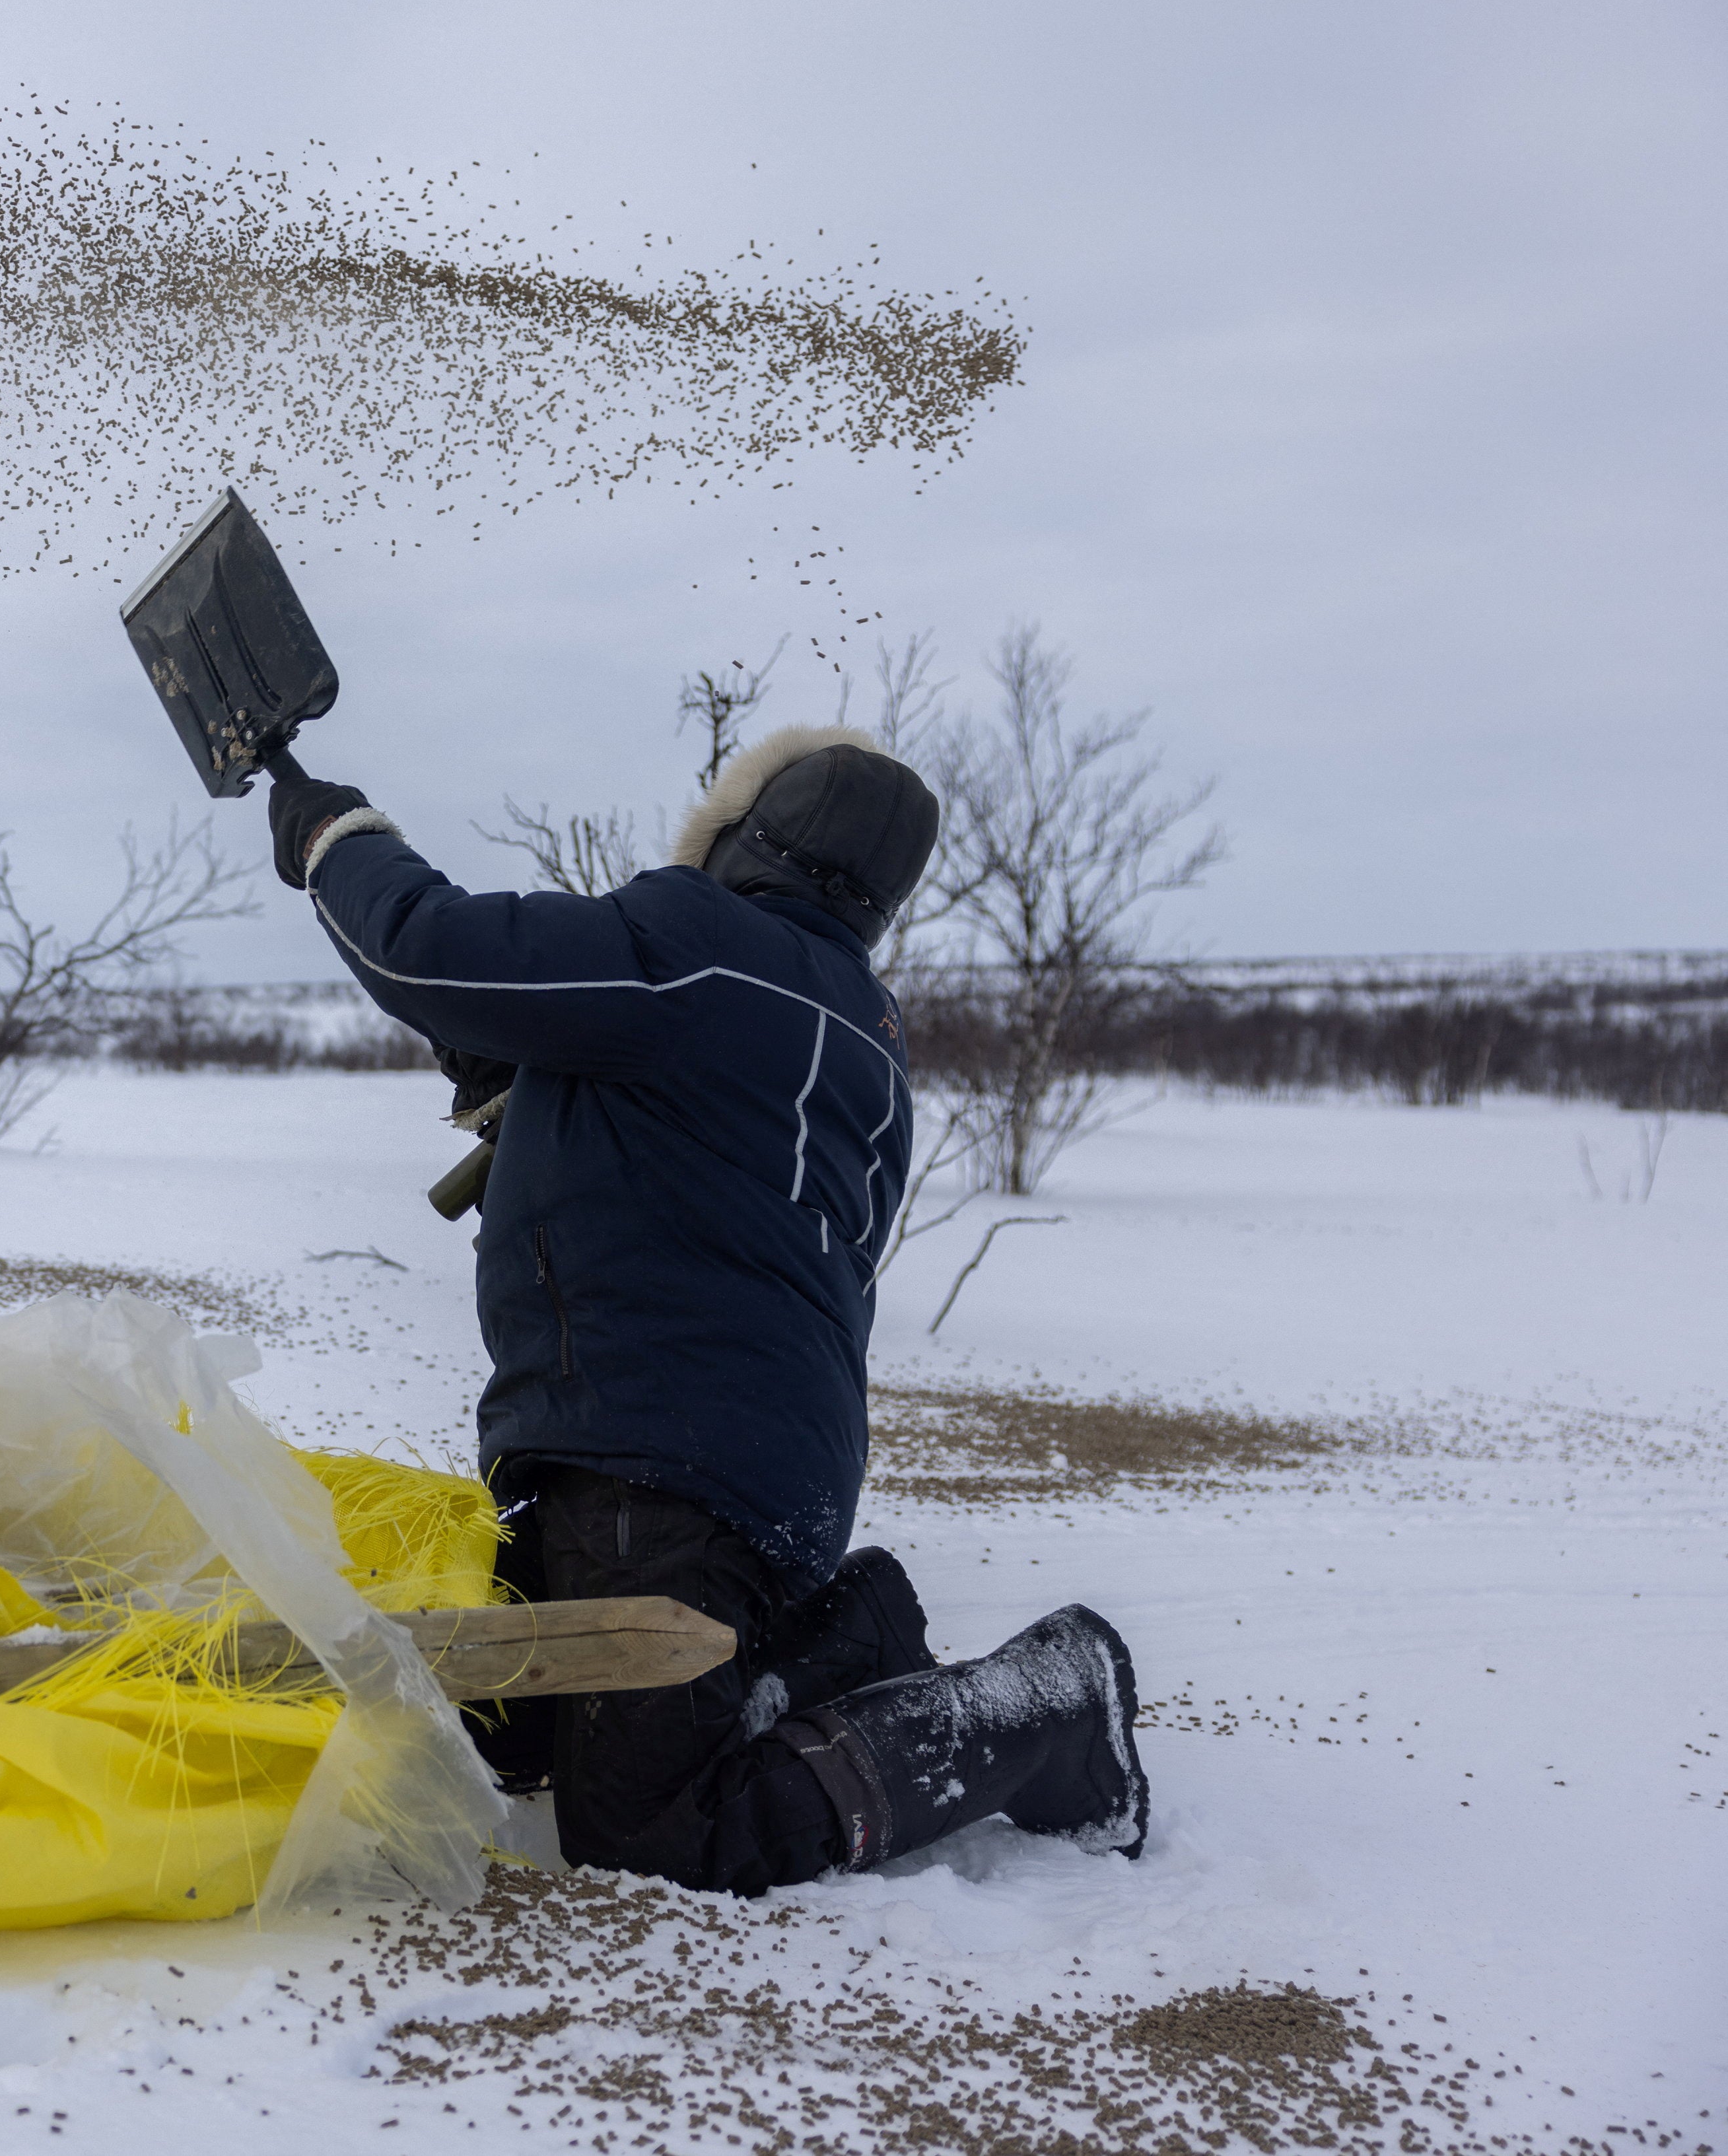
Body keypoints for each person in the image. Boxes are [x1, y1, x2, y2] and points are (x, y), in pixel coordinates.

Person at [264, 724, 1148, 1891]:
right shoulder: (869, 1044)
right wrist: (534, 1110)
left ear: (742, 836)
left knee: (652, 1829)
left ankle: (1049, 1708)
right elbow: (745, 1229)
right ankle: (845, 1633)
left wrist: (337, 837)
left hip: (653, 1467)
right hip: (760, 1474)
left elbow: (428, 950)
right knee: (514, 1727)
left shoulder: (697, 947)